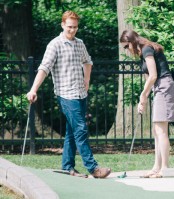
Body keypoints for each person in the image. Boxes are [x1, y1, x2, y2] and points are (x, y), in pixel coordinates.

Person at [26, 11, 111, 178]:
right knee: (80, 129)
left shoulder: (80, 44)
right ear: (63, 25)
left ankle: (67, 167)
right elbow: (44, 68)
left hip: (81, 93)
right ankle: (93, 168)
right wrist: (33, 89)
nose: (72, 30)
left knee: (72, 131)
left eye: (75, 27)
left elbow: (88, 61)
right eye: (70, 27)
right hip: (66, 94)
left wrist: (86, 80)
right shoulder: (55, 45)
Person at [119, 30, 174, 178]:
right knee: (156, 130)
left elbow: (153, 75)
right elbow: (150, 79)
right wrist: (144, 99)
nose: (126, 50)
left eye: (126, 46)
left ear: (132, 42)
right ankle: (156, 167)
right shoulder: (142, 54)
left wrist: (143, 94)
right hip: (159, 88)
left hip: (165, 86)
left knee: (161, 130)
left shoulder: (147, 49)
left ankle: (165, 168)